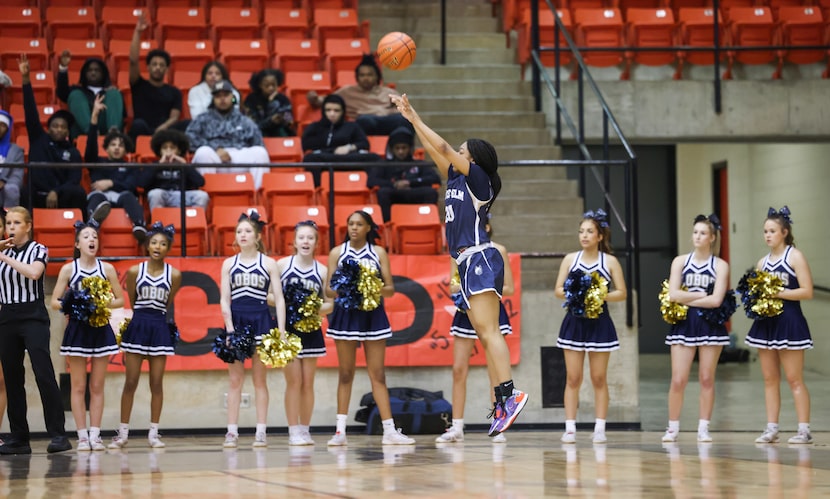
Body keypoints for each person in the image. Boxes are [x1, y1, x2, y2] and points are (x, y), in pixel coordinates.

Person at [392, 93, 528, 437]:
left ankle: (510, 395)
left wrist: (417, 119)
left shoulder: (479, 178)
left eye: (463, 150)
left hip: (480, 255)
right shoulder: (456, 180)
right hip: (467, 262)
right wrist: (412, 118)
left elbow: (443, 145)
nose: (457, 153)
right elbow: (438, 150)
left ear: (475, 158)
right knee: (484, 332)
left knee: (489, 331)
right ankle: (503, 399)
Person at [325, 210, 415, 446]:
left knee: (378, 374)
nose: (354, 228)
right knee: (345, 374)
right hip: (346, 316)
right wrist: (348, 288)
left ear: (368, 228)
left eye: (359, 224)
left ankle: (389, 431)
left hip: (373, 315)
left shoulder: (378, 252)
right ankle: (340, 432)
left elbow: (390, 289)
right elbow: (328, 291)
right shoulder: (337, 252)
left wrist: (368, 286)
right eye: (350, 223)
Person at [0, 207, 72, 455]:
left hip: (33, 317)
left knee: (43, 373)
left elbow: (34, 272)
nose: (11, 227)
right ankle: (19, 438)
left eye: (17, 222)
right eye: (8, 222)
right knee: (12, 378)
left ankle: (59, 435)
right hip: (6, 317)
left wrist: (4, 256)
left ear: (28, 226)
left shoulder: (38, 249)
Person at [436, 219, 514, 444]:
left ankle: (499, 423)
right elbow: (452, 284)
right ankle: (457, 427)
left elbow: (509, 287)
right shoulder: (458, 252)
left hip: (490, 311)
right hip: (465, 312)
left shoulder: (498, 250)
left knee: (494, 373)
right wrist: (463, 287)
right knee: (458, 369)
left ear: (486, 227)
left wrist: (484, 287)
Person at [553, 209, 627, 444]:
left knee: (598, 378)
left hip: (600, 323)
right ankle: (570, 428)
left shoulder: (610, 261)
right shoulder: (569, 259)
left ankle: (600, 428)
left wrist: (598, 295)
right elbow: (557, 290)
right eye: (581, 231)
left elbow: (622, 293)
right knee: (573, 378)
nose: (584, 236)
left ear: (600, 236)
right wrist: (577, 294)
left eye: (589, 231)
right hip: (574, 322)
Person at [51, 220, 124, 451]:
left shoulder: (107, 269)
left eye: (94, 236)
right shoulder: (68, 269)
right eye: (86, 236)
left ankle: (96, 435)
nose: (92, 239)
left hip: (101, 329)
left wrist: (100, 304)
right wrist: (75, 305)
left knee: (97, 386)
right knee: (79, 386)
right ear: (77, 243)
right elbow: (54, 301)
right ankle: (82, 436)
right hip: (78, 331)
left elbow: (121, 299)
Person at [109, 222, 182, 449]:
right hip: (138, 324)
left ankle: (153, 433)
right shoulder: (134, 271)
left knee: (156, 383)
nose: (157, 247)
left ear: (168, 248)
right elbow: (132, 298)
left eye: (162, 243)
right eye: (153, 242)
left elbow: (167, 303)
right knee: (130, 381)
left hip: (159, 326)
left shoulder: (175, 274)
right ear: (147, 246)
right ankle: (122, 434)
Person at [745, 206, 814, 444]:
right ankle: (771, 428)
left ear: (784, 232)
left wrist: (778, 292)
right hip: (766, 323)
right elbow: (755, 294)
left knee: (794, 378)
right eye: (765, 231)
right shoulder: (762, 263)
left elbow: (807, 291)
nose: (767, 235)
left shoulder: (795, 256)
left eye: (772, 231)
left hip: (790, 322)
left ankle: (804, 429)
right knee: (769, 378)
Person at [661, 214, 730, 443]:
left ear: (712, 237)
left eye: (703, 233)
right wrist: (701, 296)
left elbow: (717, 300)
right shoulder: (680, 261)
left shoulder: (720, 265)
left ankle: (703, 428)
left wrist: (688, 299)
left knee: (707, 378)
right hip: (684, 324)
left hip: (710, 324)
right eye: (695, 232)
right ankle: (672, 428)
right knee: (678, 379)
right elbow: (673, 294)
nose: (698, 236)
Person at [220, 211, 286, 448]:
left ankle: (260, 431)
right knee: (235, 380)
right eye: (239, 231)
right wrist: (229, 329)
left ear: (257, 236)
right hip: (236, 321)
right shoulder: (228, 263)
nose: (243, 235)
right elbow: (224, 300)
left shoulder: (269, 263)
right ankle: (232, 432)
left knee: (260, 380)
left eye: (248, 231)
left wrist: (281, 330)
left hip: (260, 320)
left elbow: (279, 299)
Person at [277, 220, 333, 445]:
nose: (306, 241)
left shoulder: (322, 270)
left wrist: (313, 308)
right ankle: (293, 431)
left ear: (317, 243)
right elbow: (271, 297)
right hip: (287, 329)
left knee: (308, 382)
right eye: (302, 237)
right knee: (294, 381)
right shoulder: (281, 266)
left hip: (311, 329)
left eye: (310, 238)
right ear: (294, 241)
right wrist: (292, 304)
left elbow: (330, 304)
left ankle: (305, 429)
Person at [18, 54, 86, 211]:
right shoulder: (38, 138)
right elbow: (30, 112)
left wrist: (56, 191)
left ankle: (81, 229)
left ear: (68, 131)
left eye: (63, 127)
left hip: (61, 197)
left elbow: (74, 179)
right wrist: (26, 79)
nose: (59, 129)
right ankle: (26, 230)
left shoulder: (72, 152)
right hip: (38, 195)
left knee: (79, 192)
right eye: (56, 126)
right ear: (48, 128)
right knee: (23, 191)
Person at [84, 94, 146, 241]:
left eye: (121, 145)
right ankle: (91, 226)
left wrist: (111, 183)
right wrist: (94, 118)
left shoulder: (131, 166)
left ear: (126, 150)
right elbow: (90, 148)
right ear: (106, 148)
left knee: (129, 196)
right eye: (113, 145)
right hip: (101, 198)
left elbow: (131, 185)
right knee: (96, 196)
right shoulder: (97, 161)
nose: (117, 148)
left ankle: (139, 226)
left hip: (121, 197)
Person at [186, 81, 270, 190]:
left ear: (233, 97)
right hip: (215, 158)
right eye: (218, 96)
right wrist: (215, 148)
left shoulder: (244, 120)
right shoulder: (203, 119)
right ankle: (207, 194)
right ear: (213, 99)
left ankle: (257, 197)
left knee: (260, 152)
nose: (222, 99)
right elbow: (189, 137)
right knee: (203, 152)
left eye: (226, 95)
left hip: (239, 157)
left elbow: (258, 143)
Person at [307, 54, 411, 136]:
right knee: (364, 121)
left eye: (369, 75)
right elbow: (327, 101)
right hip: (366, 122)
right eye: (362, 75)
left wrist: (390, 112)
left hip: (387, 121)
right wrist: (314, 99)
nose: (366, 78)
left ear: (377, 77)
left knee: (406, 121)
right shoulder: (347, 92)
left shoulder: (388, 92)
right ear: (357, 77)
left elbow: (404, 109)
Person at [301, 94, 381, 187]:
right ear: (323, 111)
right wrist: (331, 150)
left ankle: (368, 189)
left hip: (348, 158)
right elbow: (306, 145)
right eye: (328, 110)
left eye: (336, 110)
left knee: (374, 158)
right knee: (310, 159)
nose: (332, 114)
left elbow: (364, 143)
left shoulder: (352, 126)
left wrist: (349, 147)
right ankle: (319, 190)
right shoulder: (314, 127)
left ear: (343, 112)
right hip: (325, 158)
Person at [367, 126, 440, 222]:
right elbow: (371, 181)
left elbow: (435, 178)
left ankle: (427, 222)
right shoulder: (383, 164)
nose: (400, 151)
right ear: (392, 149)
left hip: (414, 192)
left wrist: (410, 182)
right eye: (397, 148)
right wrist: (394, 184)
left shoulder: (419, 164)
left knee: (431, 192)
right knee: (383, 192)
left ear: (410, 148)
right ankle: (388, 226)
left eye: (404, 148)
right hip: (394, 193)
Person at [128, 14, 182, 140]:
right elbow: (133, 60)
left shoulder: (174, 92)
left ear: (167, 69)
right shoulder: (138, 84)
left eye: (161, 65)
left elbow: (174, 117)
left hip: (165, 131)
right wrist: (138, 32)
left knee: (187, 125)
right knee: (138, 124)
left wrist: (162, 128)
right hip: (143, 130)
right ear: (148, 67)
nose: (157, 67)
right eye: (154, 64)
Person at [56, 50, 125, 137]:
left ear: (103, 73)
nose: (93, 73)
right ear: (84, 73)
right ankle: (91, 131)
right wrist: (63, 67)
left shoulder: (110, 92)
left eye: (97, 70)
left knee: (114, 94)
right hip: (83, 132)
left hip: (106, 128)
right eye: (89, 70)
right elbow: (61, 93)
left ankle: (113, 133)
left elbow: (122, 114)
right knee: (75, 95)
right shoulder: (77, 90)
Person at [140, 129, 209, 211]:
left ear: (179, 151)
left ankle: (194, 222)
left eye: (172, 148)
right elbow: (142, 183)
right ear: (160, 151)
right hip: (164, 195)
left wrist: (185, 166)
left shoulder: (184, 165)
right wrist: (158, 165)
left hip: (182, 195)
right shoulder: (154, 165)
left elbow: (200, 182)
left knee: (202, 196)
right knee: (155, 194)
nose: (168, 150)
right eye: (165, 148)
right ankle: (159, 222)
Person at [243, 69, 294, 138]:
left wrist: (284, 119)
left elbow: (289, 120)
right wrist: (270, 121)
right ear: (260, 85)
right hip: (258, 132)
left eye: (273, 85)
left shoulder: (282, 99)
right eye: (267, 85)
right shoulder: (251, 100)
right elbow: (251, 124)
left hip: (278, 132)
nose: (271, 88)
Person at [0, 110, 24, 208]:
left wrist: (3, 181)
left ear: (7, 129)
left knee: (12, 189)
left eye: (2, 125)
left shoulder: (16, 151)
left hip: (6, 185)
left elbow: (17, 175)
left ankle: (9, 220)